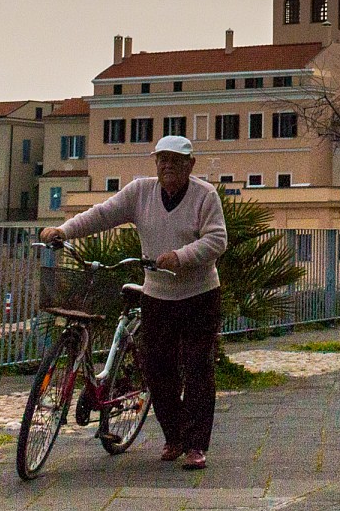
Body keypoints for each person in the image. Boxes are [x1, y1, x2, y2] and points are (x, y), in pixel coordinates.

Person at [41, 134, 228, 470]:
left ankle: (196, 444)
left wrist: (180, 256)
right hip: (157, 294)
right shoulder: (141, 191)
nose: (168, 165)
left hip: (199, 294)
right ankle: (174, 437)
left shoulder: (205, 195)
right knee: (158, 369)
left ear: (190, 165)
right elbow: (102, 214)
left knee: (198, 368)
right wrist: (64, 231)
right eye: (163, 159)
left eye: (176, 160)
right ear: (156, 163)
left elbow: (216, 239)